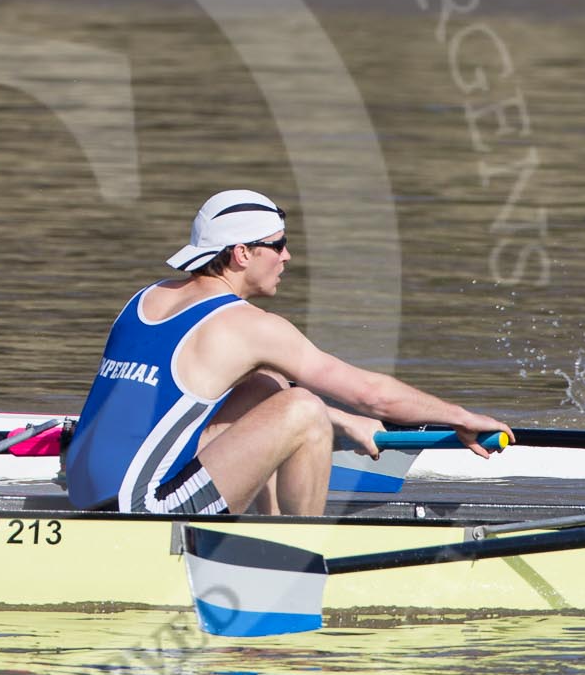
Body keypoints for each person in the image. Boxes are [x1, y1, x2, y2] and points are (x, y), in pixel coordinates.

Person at [63, 189, 511, 516]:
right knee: (303, 408)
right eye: (277, 245)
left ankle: (269, 527)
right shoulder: (248, 326)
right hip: (147, 511)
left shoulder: (146, 299)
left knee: (269, 385)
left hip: (84, 493)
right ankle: (293, 558)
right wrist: (460, 416)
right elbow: (373, 395)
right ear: (241, 254)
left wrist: (349, 423)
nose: (288, 256)